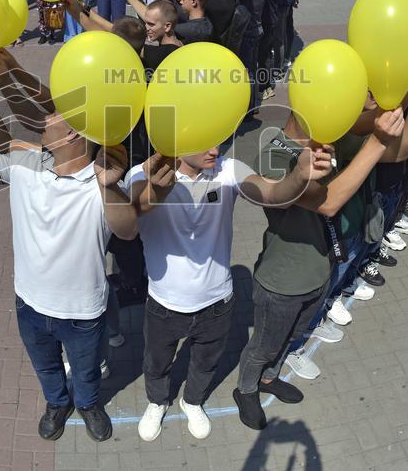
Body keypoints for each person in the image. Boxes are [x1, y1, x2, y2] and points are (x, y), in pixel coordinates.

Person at [0, 50, 138, 444]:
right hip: (29, 306)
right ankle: (56, 403)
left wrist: (108, 185)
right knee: (47, 369)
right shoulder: (24, 163)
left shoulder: (106, 183)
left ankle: (88, 403)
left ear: (73, 134)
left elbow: (129, 231)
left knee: (86, 371)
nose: (44, 118)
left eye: (54, 115)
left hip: (83, 314)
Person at [127, 144, 330, 441]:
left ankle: (192, 402)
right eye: (204, 140)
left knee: (206, 363)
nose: (214, 148)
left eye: (218, 138)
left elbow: (272, 195)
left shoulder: (228, 170)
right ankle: (157, 402)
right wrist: (153, 191)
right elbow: (128, 223)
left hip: (217, 302)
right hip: (163, 302)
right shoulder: (140, 176)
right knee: (156, 363)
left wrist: (298, 176)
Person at [233, 107, 406, 430]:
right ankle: (245, 388)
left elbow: (396, 145)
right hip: (282, 281)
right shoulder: (274, 154)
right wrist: (378, 141)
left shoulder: (329, 140)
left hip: (320, 271)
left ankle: (269, 379)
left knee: (293, 335)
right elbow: (326, 202)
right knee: (265, 344)